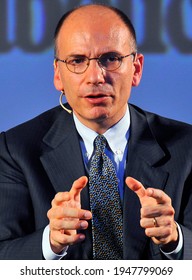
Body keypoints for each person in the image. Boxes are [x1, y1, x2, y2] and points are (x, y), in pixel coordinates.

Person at [0, 3, 192, 260]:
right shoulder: (15, 149)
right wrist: (50, 242)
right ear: (58, 75)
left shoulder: (187, 146)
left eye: (110, 59)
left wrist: (175, 239)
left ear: (136, 69)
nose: (95, 77)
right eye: (77, 60)